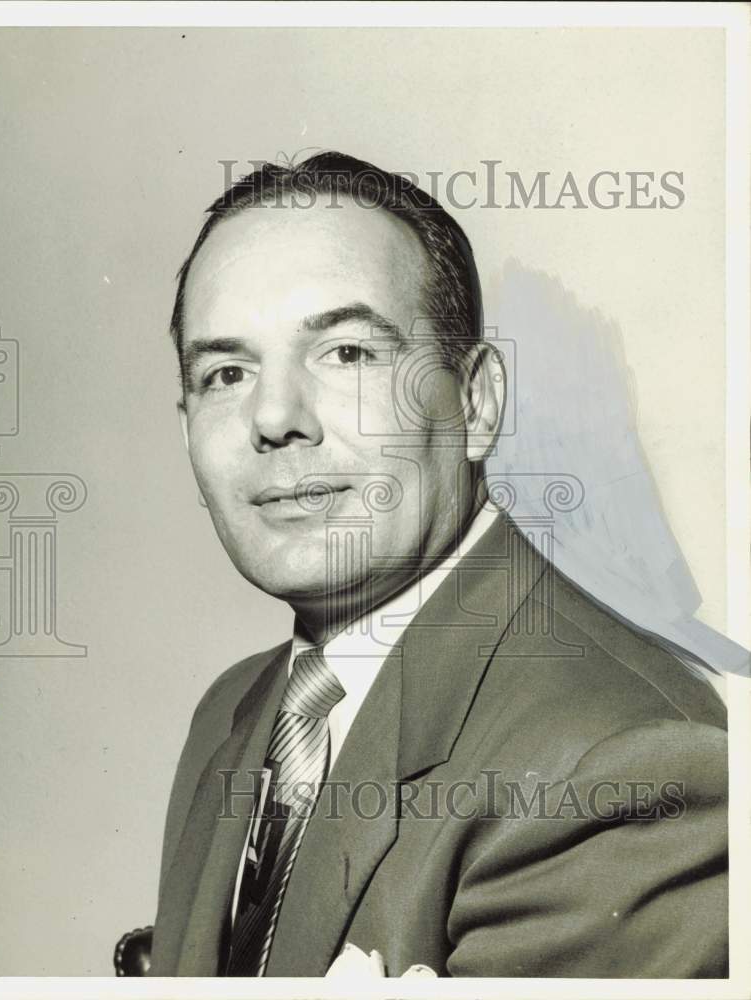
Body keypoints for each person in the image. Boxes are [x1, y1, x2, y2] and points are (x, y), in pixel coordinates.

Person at [149, 152, 727, 978]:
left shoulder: (619, 766)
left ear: (479, 402)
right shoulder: (236, 713)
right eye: (227, 373)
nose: (274, 418)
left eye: (347, 353)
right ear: (186, 432)